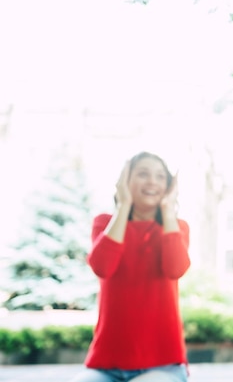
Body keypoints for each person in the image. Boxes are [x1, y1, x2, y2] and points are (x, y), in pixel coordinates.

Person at [70, 152, 191, 382]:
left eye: (159, 177)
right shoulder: (104, 224)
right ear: (125, 181)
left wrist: (167, 209)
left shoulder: (177, 227)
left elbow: (175, 269)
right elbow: (101, 267)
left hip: (165, 365)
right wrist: (124, 204)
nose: (152, 182)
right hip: (106, 366)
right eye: (143, 174)